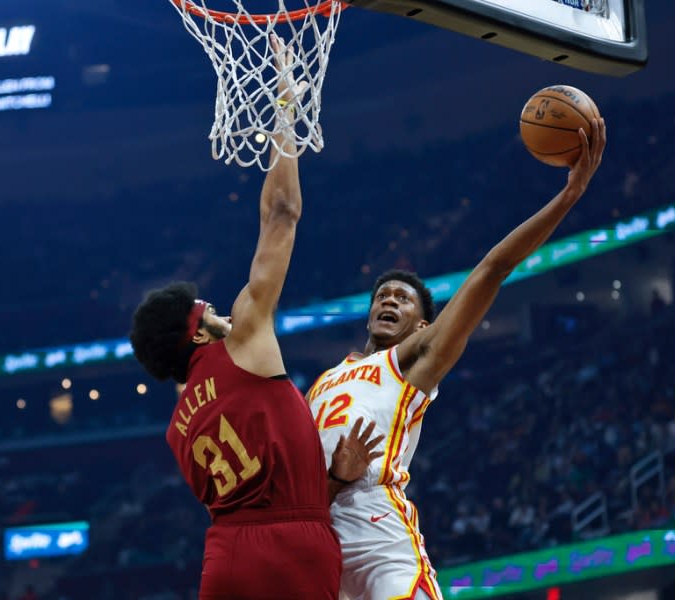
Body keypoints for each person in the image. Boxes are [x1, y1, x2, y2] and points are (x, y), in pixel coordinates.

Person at [308, 119, 606, 599]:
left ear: (424, 326)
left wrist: (568, 197)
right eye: (382, 295)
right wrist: (331, 480)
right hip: (317, 533)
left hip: (376, 524)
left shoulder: (414, 360)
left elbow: (494, 267)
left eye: (402, 299)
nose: (388, 300)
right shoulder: (323, 382)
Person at [129, 36, 383, 600]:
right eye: (209, 310)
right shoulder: (242, 337)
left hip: (224, 558)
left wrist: (334, 481)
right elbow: (283, 213)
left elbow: (259, 489)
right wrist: (287, 102)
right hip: (295, 545)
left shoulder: (178, 424)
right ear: (196, 330)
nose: (222, 310)